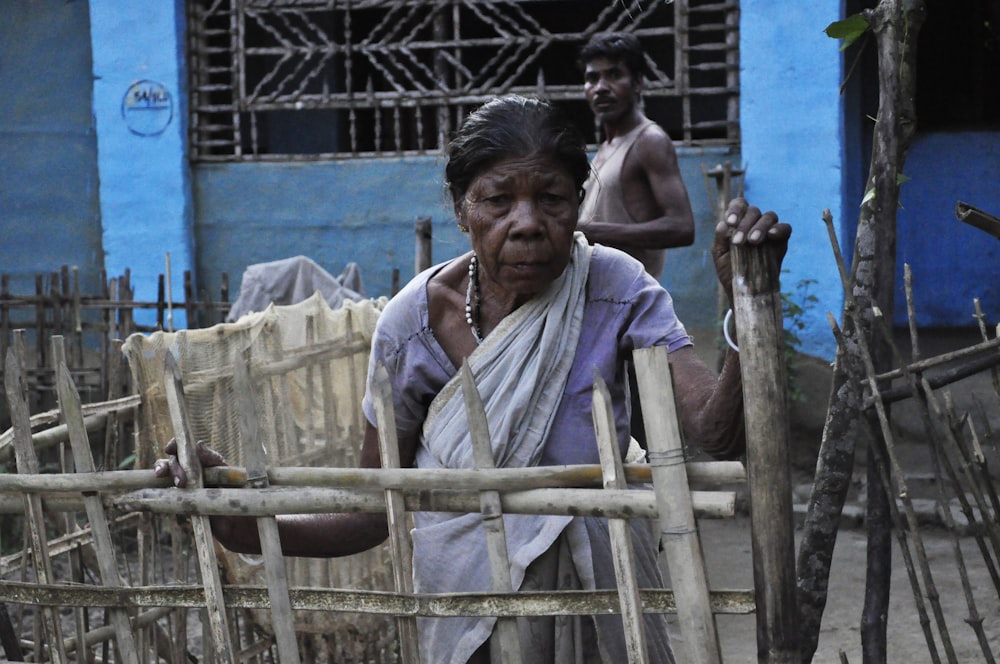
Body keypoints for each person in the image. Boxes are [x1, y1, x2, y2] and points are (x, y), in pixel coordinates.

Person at [155, 95, 791, 664]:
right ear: (463, 210)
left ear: (577, 205)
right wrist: (244, 527)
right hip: (469, 617)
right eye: (498, 199)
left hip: (602, 601)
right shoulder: (410, 327)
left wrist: (749, 296)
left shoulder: (616, 289)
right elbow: (380, 506)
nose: (526, 221)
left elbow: (718, 431)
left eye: (551, 198)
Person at [576, 32, 695, 280]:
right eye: (592, 78)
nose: (601, 88)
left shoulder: (649, 141)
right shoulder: (607, 147)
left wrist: (591, 231)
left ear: (638, 82)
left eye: (614, 75)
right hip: (599, 298)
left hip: (631, 301)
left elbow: (682, 228)